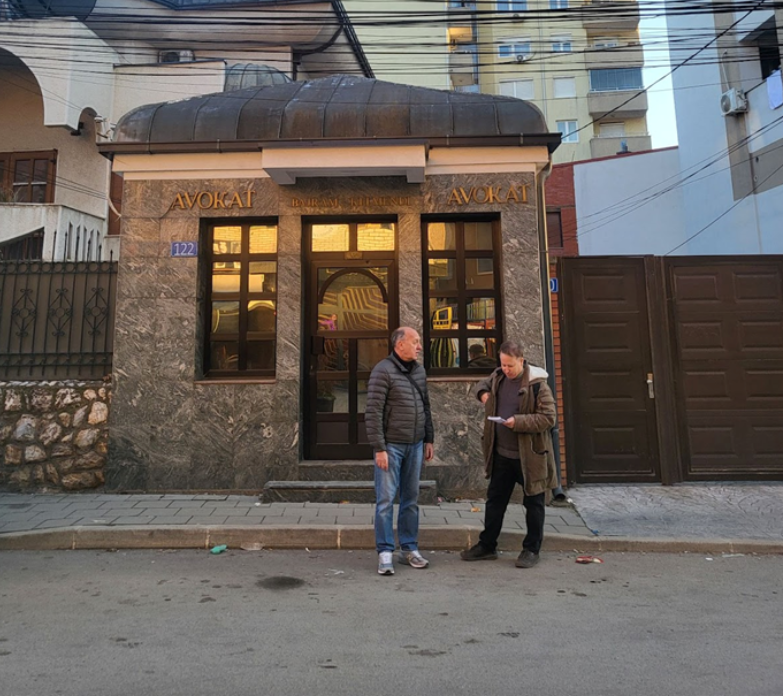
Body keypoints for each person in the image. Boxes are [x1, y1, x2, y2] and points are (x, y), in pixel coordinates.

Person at [461, 340, 557, 568]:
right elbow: (481, 385)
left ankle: (531, 550)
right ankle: (487, 546)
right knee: (495, 501)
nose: (506, 369)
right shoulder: (498, 376)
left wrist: (518, 422)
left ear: (521, 361)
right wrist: (483, 394)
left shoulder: (538, 385)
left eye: (510, 366)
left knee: (534, 503)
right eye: (503, 364)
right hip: (502, 455)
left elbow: (548, 417)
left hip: (529, 456)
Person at [365, 326, 435, 575]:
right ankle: (385, 552)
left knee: (411, 500)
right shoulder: (382, 371)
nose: (419, 346)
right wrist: (379, 448)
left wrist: (429, 438)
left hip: (415, 444)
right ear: (399, 344)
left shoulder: (419, 371)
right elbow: (373, 412)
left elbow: (425, 406)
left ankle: (409, 549)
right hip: (391, 447)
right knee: (385, 501)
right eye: (415, 341)